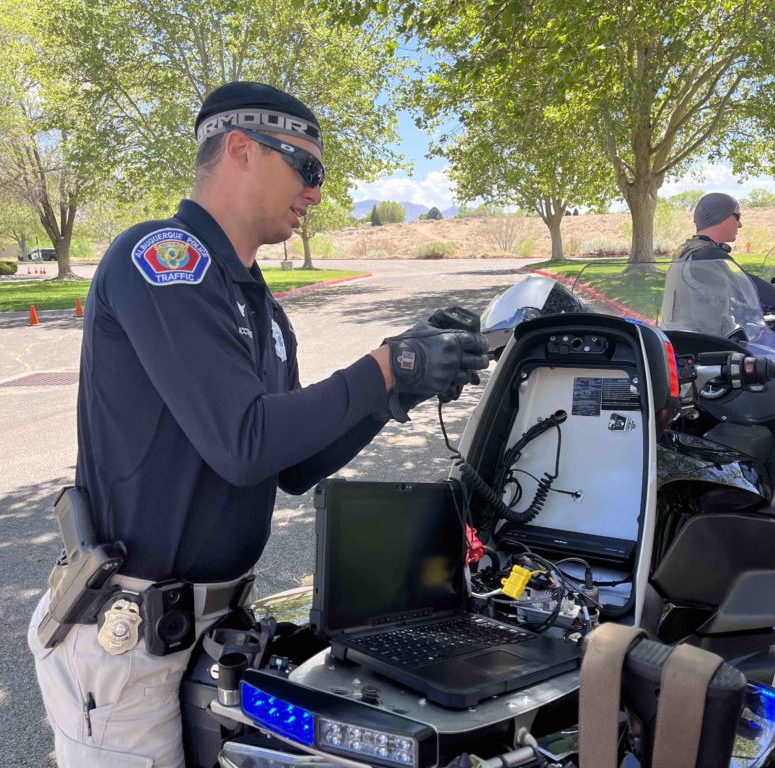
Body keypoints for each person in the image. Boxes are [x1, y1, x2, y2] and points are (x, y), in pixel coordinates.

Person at [26, 81, 489, 767]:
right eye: (308, 168)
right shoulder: (163, 261)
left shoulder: (261, 309)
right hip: (129, 641)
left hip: (213, 629)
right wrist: (384, 368)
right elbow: (242, 443)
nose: (317, 193)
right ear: (241, 149)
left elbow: (291, 462)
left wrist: (403, 388)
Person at [661, 192, 775, 341]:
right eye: (737, 216)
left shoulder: (688, 250)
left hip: (686, 340)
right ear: (722, 217)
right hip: (707, 347)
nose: (740, 224)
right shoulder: (706, 256)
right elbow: (750, 284)